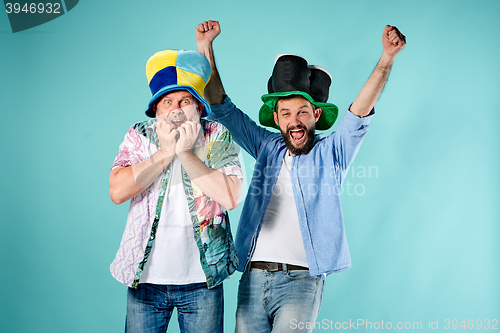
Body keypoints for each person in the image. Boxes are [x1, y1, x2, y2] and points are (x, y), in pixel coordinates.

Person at [196, 20, 406, 332]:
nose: (295, 122)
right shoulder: (266, 146)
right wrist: (205, 48)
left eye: (302, 113)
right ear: (277, 119)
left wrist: (387, 57)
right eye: (286, 114)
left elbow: (358, 114)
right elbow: (221, 108)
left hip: (301, 281)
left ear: (316, 115)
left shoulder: (332, 152)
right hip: (252, 278)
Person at [109, 49, 244, 333]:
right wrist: (167, 152)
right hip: (145, 282)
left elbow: (231, 196)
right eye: (167, 101)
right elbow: (118, 191)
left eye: (185, 100)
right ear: (156, 109)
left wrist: (186, 154)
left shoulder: (216, 134)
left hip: (202, 282)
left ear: (198, 107)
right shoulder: (139, 135)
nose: (176, 109)